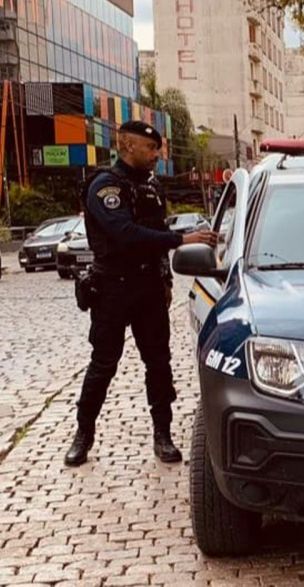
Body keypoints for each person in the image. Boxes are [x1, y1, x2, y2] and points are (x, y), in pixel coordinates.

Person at [65, 120, 218, 467]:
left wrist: (165, 280)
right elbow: (125, 233)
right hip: (112, 288)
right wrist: (182, 240)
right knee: (104, 364)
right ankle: (83, 434)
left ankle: (163, 434)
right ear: (127, 145)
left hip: (148, 288)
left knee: (158, 363)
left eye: (157, 148)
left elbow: (155, 234)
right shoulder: (105, 186)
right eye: (151, 148)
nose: (156, 155)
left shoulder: (151, 187)